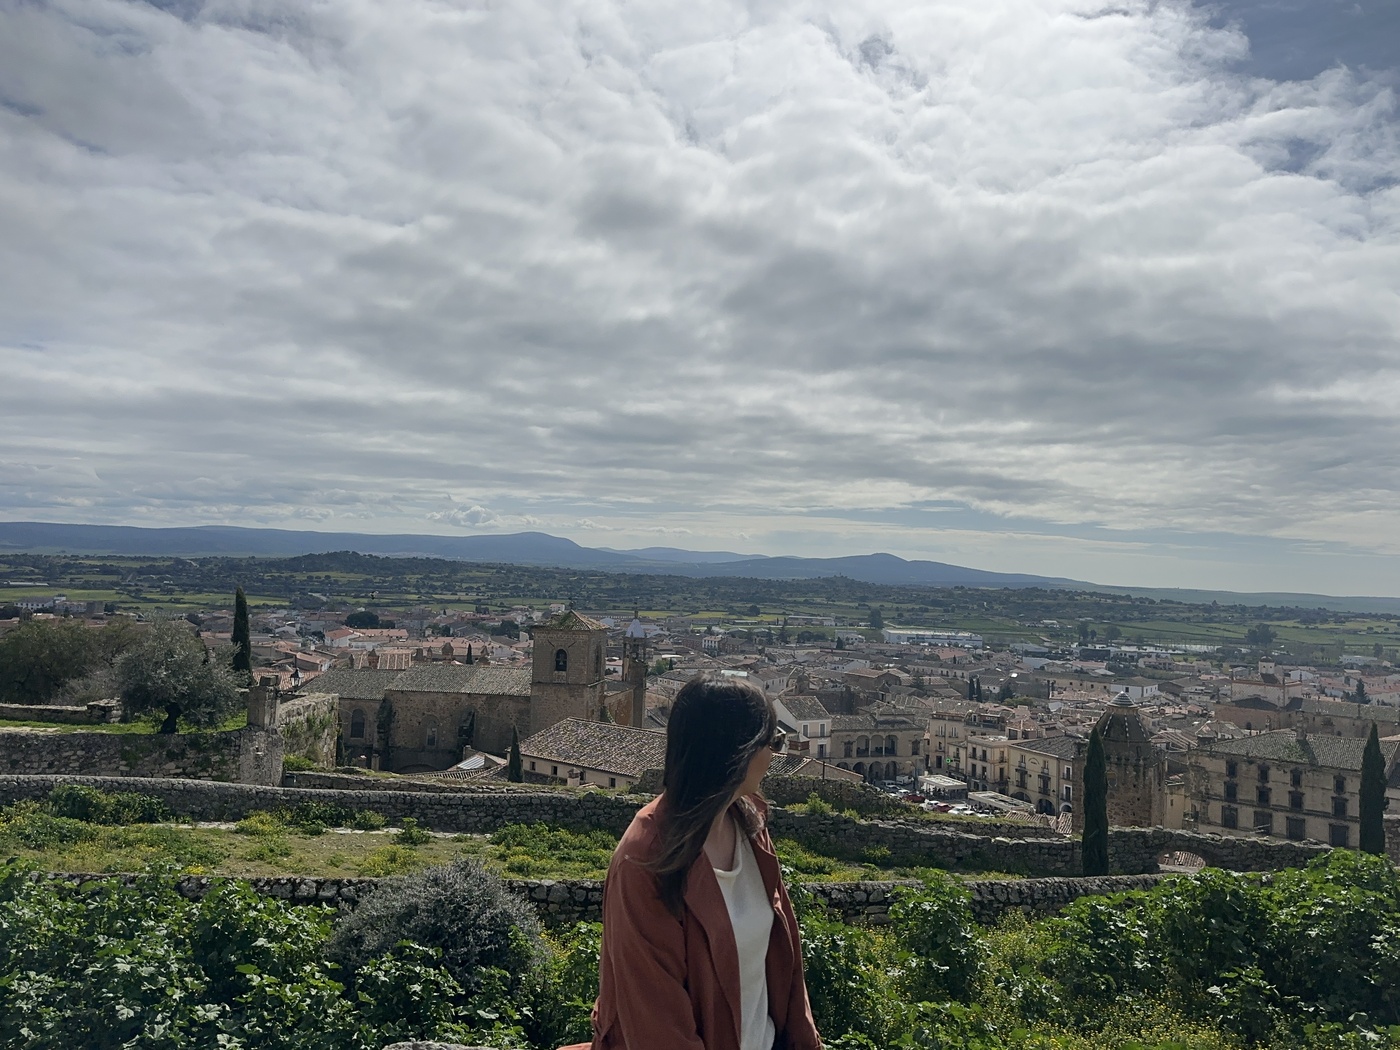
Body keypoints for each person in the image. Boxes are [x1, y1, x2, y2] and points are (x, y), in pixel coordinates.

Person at [563, 675, 823, 1050]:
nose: (775, 755)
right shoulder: (646, 859)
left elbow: (786, 968)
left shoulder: (750, 827)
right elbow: (659, 1027)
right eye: (774, 742)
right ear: (736, 751)